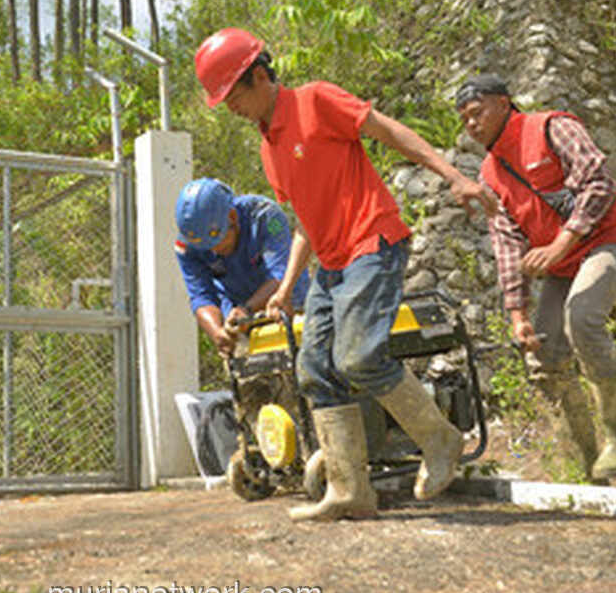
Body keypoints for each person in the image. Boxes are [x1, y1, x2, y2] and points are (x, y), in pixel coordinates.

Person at [193, 28, 498, 521]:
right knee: (314, 370)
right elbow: (306, 223)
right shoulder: (270, 147)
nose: (230, 108)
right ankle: (351, 490)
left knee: (357, 357)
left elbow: (391, 131)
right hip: (332, 265)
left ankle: (440, 438)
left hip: (373, 242)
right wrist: (288, 286)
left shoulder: (316, 101)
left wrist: (456, 177)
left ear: (260, 75)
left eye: (233, 94)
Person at [455, 73, 616, 482]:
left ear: (505, 103)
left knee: (581, 317)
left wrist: (560, 245)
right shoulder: (490, 173)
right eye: (464, 120)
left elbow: (598, 184)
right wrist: (517, 314)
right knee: (541, 353)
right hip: (564, 265)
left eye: (477, 112)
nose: (471, 125)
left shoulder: (552, 128)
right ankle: (585, 464)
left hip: (611, 242)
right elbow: (506, 244)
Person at [174, 177, 310, 356]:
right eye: (206, 247)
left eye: (217, 241)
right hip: (241, 325)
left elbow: (280, 275)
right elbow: (201, 297)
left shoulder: (265, 216)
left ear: (232, 217)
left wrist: (247, 310)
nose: (213, 251)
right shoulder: (186, 246)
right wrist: (218, 333)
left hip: (288, 309)